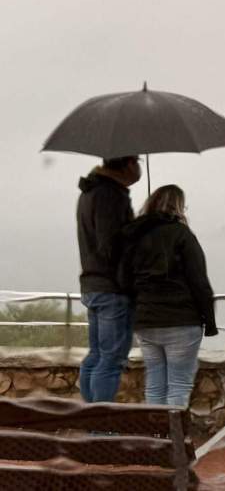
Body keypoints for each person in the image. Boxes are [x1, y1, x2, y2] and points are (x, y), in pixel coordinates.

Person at [118, 184, 218, 407]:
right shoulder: (182, 235)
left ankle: (155, 429)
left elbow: (124, 280)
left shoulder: (134, 236)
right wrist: (210, 322)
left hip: (145, 321)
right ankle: (174, 430)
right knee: (179, 386)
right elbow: (199, 281)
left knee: (154, 385)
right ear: (179, 206)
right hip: (181, 320)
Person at [77, 155, 141, 402]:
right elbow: (111, 245)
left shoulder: (90, 192)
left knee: (96, 355)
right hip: (113, 288)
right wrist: (136, 233)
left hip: (93, 285)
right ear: (128, 164)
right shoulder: (110, 195)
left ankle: (88, 416)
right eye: (137, 161)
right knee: (111, 360)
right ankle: (100, 421)